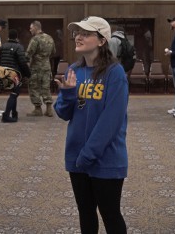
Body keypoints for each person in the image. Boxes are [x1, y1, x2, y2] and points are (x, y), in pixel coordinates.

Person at [54, 16, 128, 234]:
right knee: (85, 214)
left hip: (106, 158)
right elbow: (63, 112)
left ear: (102, 40)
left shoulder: (115, 74)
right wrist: (67, 93)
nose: (78, 36)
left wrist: (88, 154)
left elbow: (111, 121)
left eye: (86, 33)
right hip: (77, 157)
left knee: (111, 215)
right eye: (77, 32)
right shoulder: (75, 70)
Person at [0, 29, 31, 123]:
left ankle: (14, 113)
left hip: (5, 72)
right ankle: (6, 115)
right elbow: (22, 62)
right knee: (14, 94)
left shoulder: (3, 46)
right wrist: (27, 74)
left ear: (8, 36)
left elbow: (0, 59)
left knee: (14, 93)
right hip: (15, 74)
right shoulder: (18, 47)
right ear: (17, 37)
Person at [26, 20, 55, 117]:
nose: (30, 30)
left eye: (31, 28)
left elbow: (29, 53)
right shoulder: (50, 38)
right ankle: (49, 109)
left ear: (35, 27)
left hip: (36, 68)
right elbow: (53, 52)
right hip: (47, 66)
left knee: (34, 87)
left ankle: (38, 109)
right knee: (46, 87)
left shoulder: (35, 39)